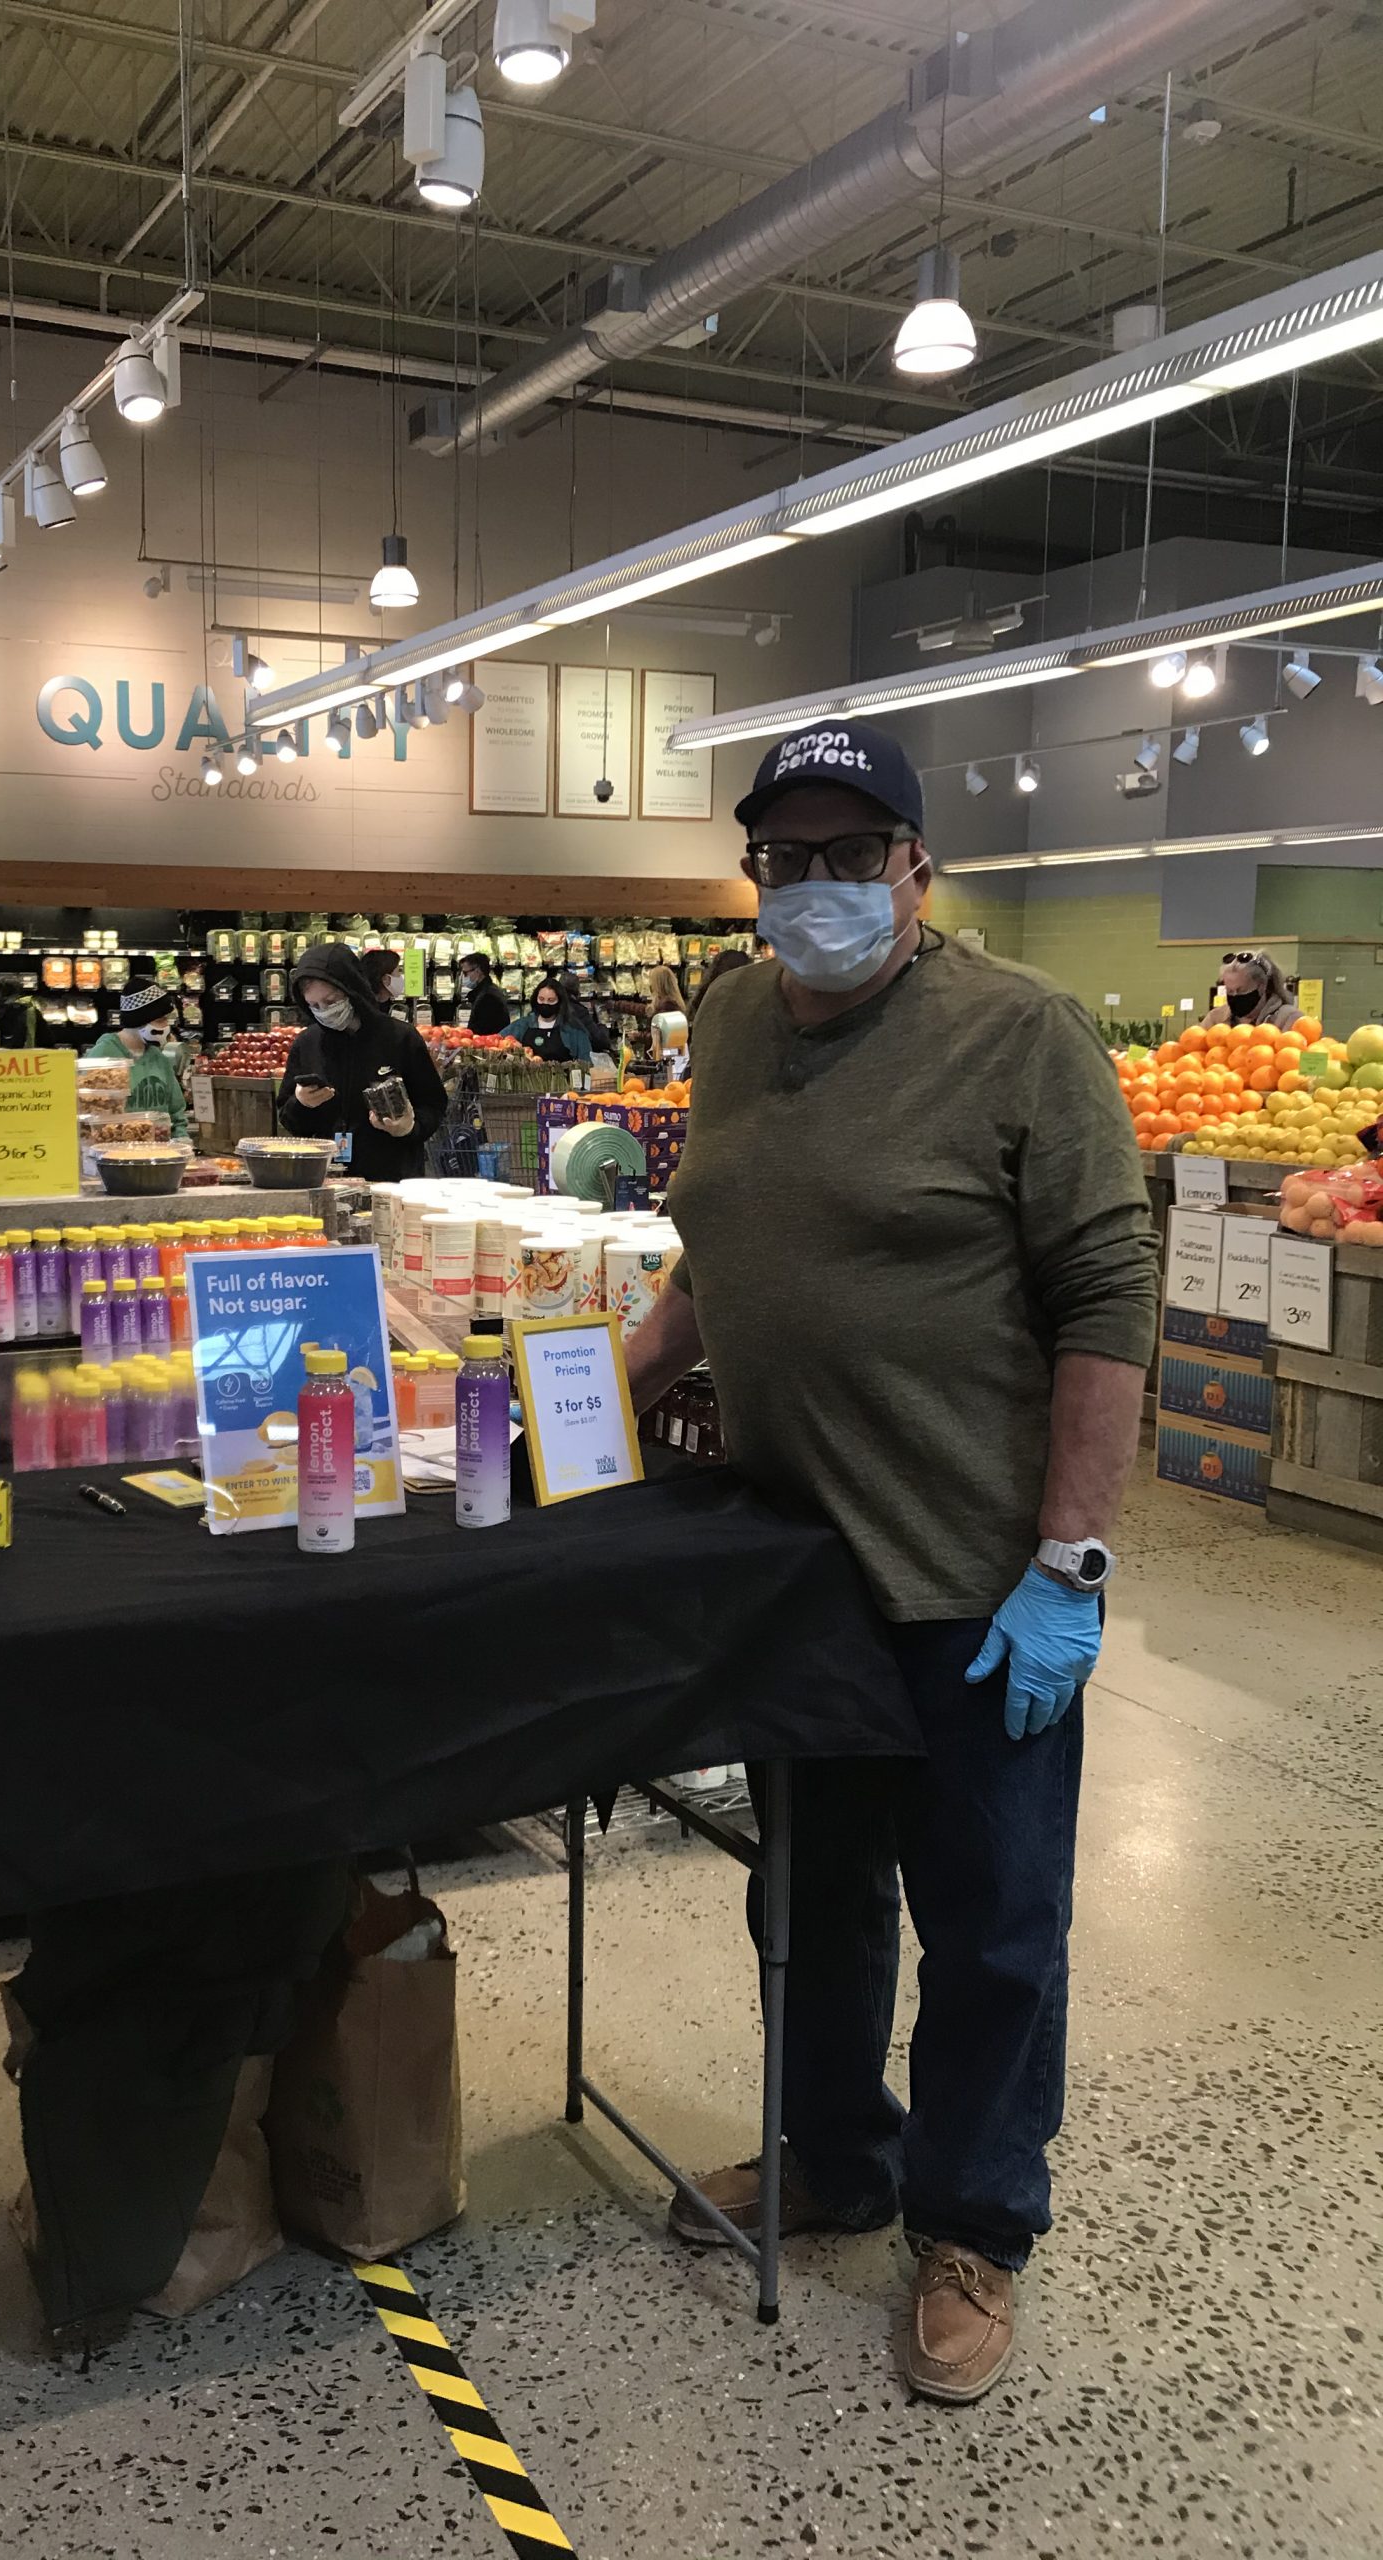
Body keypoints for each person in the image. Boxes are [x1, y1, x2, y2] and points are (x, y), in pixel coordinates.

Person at [628, 717, 1157, 2405]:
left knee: (992, 1921)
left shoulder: (1026, 1036)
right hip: (796, 1575)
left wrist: (1070, 1557)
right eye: (788, 859)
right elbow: (709, 1268)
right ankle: (839, 2160)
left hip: (975, 1587)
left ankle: (977, 2222)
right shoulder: (723, 1023)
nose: (821, 887)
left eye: (857, 855)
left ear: (919, 869)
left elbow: (1106, 1304)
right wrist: (558, 1403)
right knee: (815, 1900)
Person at [276, 942, 448, 1180]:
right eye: (314, 1005)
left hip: (391, 1176)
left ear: (351, 990)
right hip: (326, 1178)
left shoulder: (400, 1038)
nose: (324, 1011)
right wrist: (301, 1104)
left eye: (331, 1001)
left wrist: (409, 1127)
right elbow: (288, 1118)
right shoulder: (307, 1043)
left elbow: (434, 1104)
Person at [85, 980, 190, 1139]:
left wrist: (182, 1139)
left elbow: (176, 1111)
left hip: (159, 1153)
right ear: (140, 1020)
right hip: (117, 1151)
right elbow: (91, 1112)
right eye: (160, 1020)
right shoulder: (103, 1056)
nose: (166, 1026)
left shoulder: (159, 1058)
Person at [1202, 948, 1302, 1030]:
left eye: (1241, 990)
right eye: (1230, 991)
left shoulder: (1289, 1018)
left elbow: (1308, 1052)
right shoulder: (1215, 1019)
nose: (1235, 996)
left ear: (1261, 986)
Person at [509, 976, 593, 1066]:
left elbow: (586, 1063)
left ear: (560, 1002)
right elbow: (496, 1042)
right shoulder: (522, 1025)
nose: (545, 1004)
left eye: (551, 1000)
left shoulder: (573, 1029)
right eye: (541, 999)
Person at [457, 953, 513, 1036]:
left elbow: (482, 1032)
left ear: (478, 971)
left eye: (465, 973)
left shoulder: (488, 997)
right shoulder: (489, 991)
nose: (463, 977)